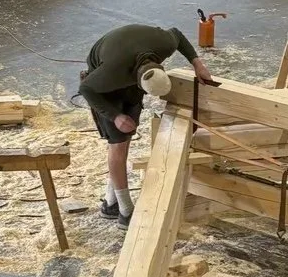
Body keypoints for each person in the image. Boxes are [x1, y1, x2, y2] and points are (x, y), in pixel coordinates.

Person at [79, 22, 214, 221]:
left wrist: (197, 63)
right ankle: (125, 211)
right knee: (117, 145)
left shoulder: (164, 44)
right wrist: (116, 116)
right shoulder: (108, 74)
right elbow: (87, 89)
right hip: (104, 92)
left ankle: (111, 202)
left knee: (126, 139)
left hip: (130, 78)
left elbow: (176, 32)